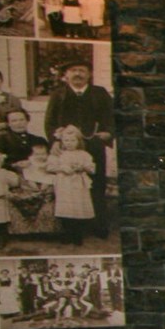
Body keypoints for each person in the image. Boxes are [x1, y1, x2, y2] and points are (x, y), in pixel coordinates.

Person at [44, 62, 115, 232]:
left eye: (82, 71)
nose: (78, 74)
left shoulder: (99, 93)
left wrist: (109, 133)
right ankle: (72, 228)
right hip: (67, 146)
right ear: (66, 75)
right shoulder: (59, 94)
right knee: (69, 185)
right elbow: (50, 121)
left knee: (97, 182)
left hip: (94, 143)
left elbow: (112, 116)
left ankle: (98, 226)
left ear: (89, 74)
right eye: (73, 70)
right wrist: (54, 140)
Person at [46, 124, 96, 244]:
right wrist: (62, 168)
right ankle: (67, 234)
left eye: (73, 140)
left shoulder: (84, 154)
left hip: (79, 184)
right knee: (66, 208)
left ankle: (77, 234)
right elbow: (49, 167)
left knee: (77, 207)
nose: (69, 143)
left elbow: (92, 169)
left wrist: (82, 167)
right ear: (62, 141)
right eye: (66, 140)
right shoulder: (58, 154)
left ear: (79, 141)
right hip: (64, 184)